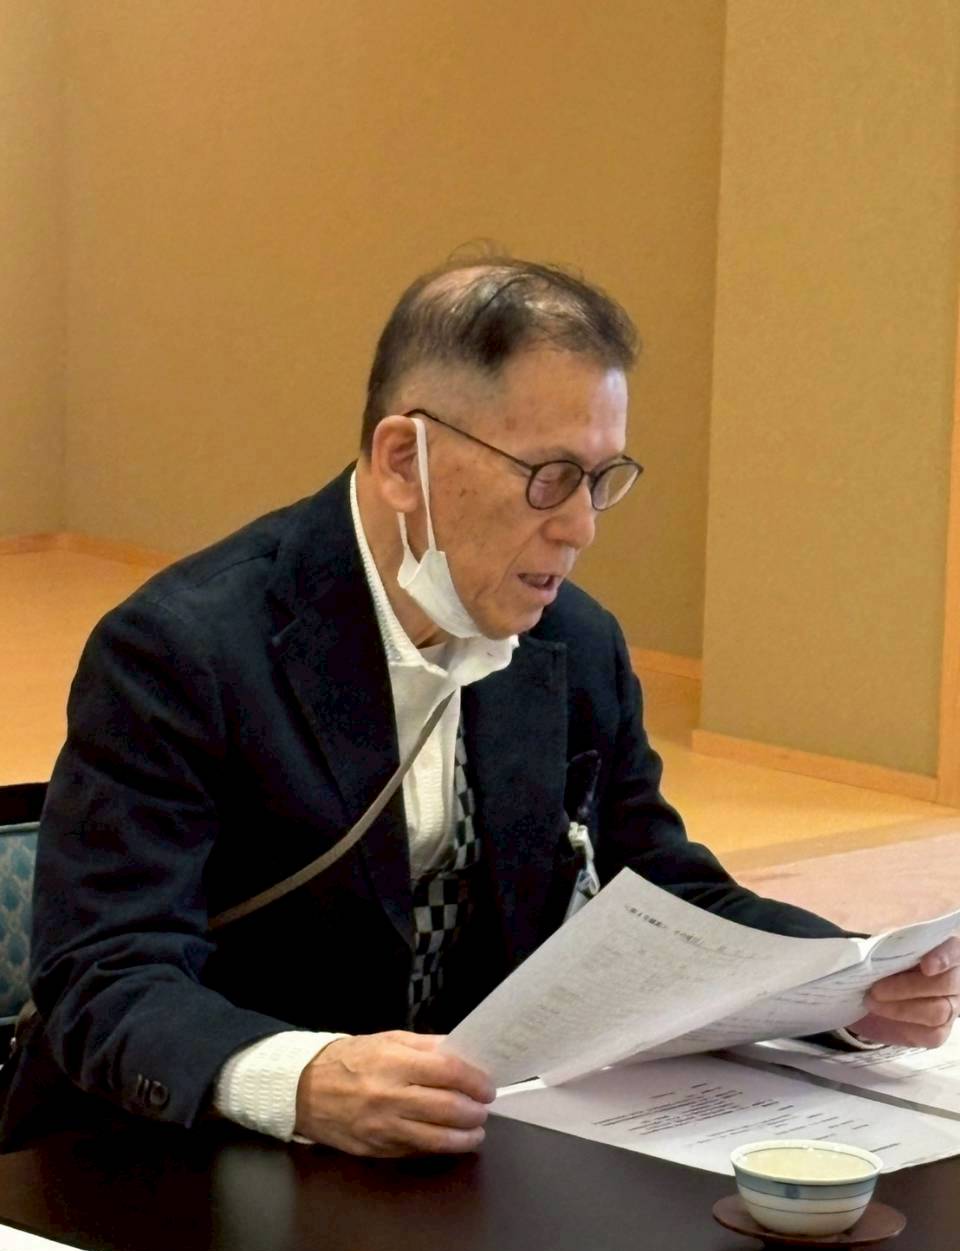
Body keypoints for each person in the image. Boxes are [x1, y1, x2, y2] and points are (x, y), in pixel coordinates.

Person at [5, 258, 958, 1158]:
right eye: (549, 477)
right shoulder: (182, 649)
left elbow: (661, 885)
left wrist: (844, 979)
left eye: (601, 481)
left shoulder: (574, 643)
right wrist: (302, 1080)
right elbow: (104, 973)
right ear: (402, 459)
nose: (580, 528)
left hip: (446, 1147)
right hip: (175, 1151)